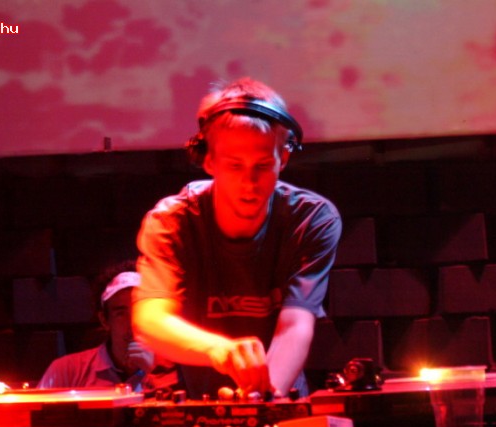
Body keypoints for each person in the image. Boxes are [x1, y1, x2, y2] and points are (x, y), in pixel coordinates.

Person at [132, 77, 342, 400]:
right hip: (195, 405)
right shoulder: (170, 222)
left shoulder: (311, 220)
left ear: (283, 159)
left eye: (262, 165)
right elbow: (150, 320)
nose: (249, 183)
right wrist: (219, 349)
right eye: (234, 166)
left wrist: (261, 399)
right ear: (209, 160)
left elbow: (295, 325)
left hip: (278, 396)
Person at [38, 261, 178, 393]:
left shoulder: (177, 370)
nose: (133, 322)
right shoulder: (66, 370)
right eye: (121, 314)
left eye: (139, 311)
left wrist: (153, 373)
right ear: (104, 320)